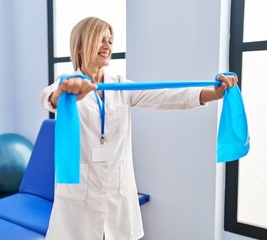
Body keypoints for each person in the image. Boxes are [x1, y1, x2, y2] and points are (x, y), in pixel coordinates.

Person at [40, 17, 237, 240]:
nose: (108, 46)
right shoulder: (67, 84)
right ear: (80, 45)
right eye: (100, 39)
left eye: (110, 40)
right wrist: (66, 93)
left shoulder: (120, 84)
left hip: (117, 192)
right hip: (79, 198)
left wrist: (214, 93)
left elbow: (165, 96)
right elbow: (49, 99)